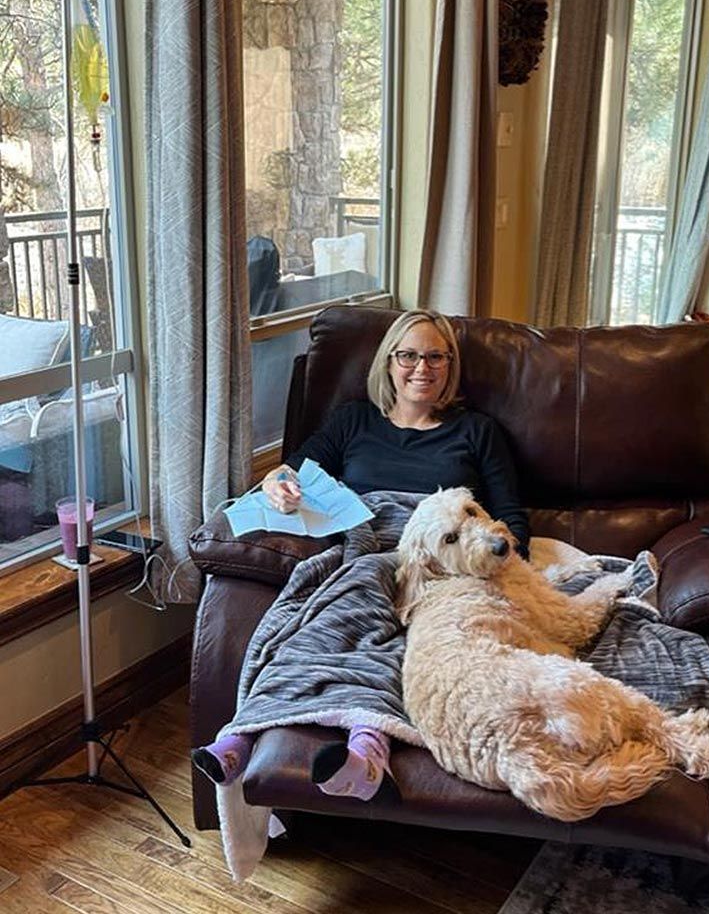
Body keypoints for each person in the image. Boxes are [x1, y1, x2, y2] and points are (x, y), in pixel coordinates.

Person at [192, 309, 529, 802]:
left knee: (399, 635)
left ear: (450, 365)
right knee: (303, 618)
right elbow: (290, 473)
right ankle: (243, 738)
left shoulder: (477, 432)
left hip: (440, 563)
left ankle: (361, 750)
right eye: (409, 355)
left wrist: (486, 571)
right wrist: (280, 486)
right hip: (363, 544)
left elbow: (511, 523)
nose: (423, 367)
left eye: (436, 356)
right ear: (388, 363)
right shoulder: (354, 421)